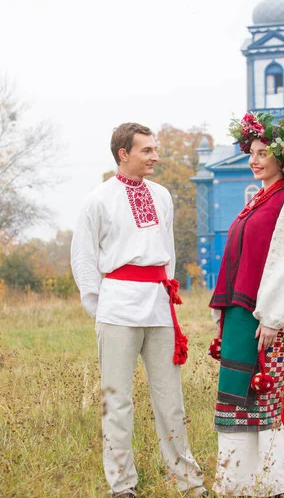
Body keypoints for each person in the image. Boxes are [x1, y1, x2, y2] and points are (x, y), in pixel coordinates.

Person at [71, 122, 207, 498]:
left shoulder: (163, 195)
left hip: (159, 308)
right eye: (147, 150)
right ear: (123, 154)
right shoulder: (98, 199)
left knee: (171, 401)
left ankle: (189, 483)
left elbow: (170, 254)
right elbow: (83, 256)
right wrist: (99, 304)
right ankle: (122, 485)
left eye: (155, 148)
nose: (156, 156)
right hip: (117, 308)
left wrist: (163, 293)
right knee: (117, 400)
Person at [208, 112, 284, 497]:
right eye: (252, 153)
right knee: (236, 398)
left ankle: (274, 483)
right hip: (240, 314)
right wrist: (223, 314)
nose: (254, 160)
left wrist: (275, 317)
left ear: (283, 159)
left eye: (263, 153)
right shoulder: (258, 201)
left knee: (264, 399)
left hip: (264, 317)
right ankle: (236, 482)